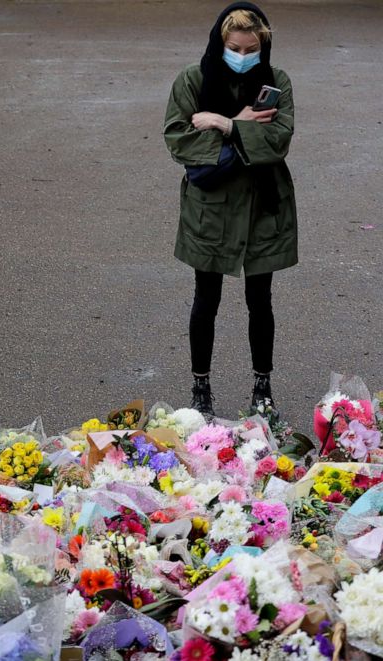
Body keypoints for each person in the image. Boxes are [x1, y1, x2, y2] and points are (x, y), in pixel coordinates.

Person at [163, 2, 296, 419]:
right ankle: (200, 387)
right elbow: (178, 138)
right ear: (221, 42)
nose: (243, 54)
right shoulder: (192, 78)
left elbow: (279, 140)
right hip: (212, 208)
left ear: (264, 45)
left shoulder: (277, 82)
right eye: (236, 46)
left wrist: (227, 123)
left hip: (263, 206)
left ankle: (262, 386)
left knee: (261, 299)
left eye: (252, 47)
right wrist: (244, 132)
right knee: (206, 298)